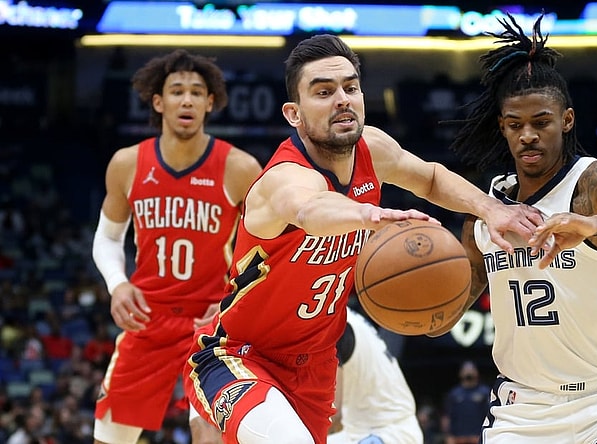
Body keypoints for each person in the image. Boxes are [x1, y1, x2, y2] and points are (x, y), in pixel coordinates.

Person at [183, 33, 543, 444]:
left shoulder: (373, 147)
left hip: (315, 365)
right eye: (323, 92)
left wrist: (491, 208)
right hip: (237, 355)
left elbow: (430, 178)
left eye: (350, 88)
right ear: (294, 114)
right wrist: (368, 214)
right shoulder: (285, 177)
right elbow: (310, 209)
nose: (342, 100)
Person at [437, 13, 597, 443]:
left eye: (541, 122)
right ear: (502, 127)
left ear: (567, 120)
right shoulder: (485, 215)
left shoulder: (593, 183)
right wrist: (411, 298)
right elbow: (442, 318)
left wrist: (594, 223)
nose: (528, 135)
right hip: (523, 414)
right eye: (515, 125)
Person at [90, 49, 262, 444]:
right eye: (177, 91)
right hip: (147, 317)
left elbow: (268, 247)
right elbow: (108, 237)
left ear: (210, 103)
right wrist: (117, 284)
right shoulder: (127, 164)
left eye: (197, 92)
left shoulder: (239, 168)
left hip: (212, 322)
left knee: (209, 432)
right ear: (158, 102)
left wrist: (236, 300)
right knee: (108, 438)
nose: (187, 100)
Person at [327, 306, 423, 444]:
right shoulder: (341, 314)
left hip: (387, 433)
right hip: (364, 431)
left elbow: (332, 413)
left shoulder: (332, 325)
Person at [441, 360, 491, 444]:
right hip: (457, 438)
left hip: (479, 437)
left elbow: (491, 415)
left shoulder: (485, 392)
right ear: (460, 373)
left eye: (471, 369)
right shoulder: (454, 394)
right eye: (466, 369)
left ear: (477, 372)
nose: (468, 371)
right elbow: (446, 416)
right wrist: (447, 435)